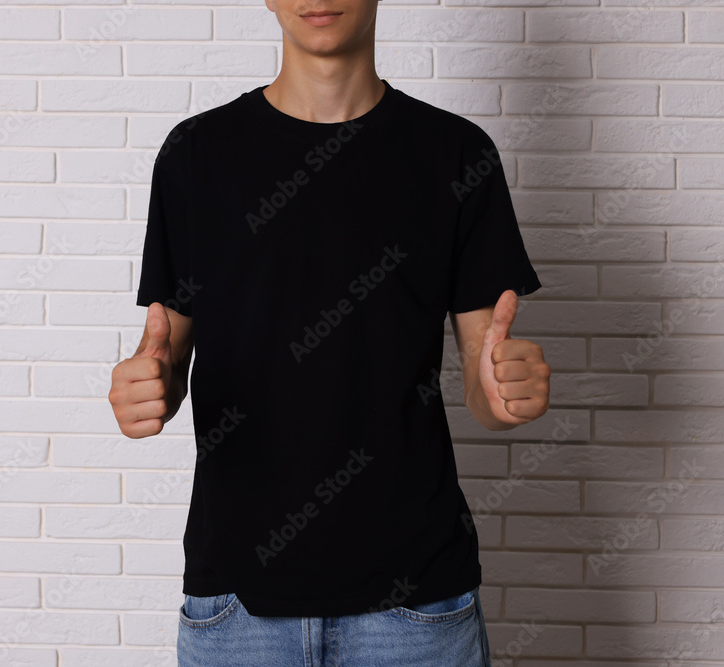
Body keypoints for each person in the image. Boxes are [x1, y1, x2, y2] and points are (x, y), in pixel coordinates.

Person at [108, 0, 551, 661]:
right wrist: (146, 390)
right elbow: (163, 359)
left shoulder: (457, 153)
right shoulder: (195, 156)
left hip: (417, 610)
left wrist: (506, 391)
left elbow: (486, 387)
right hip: (236, 609)